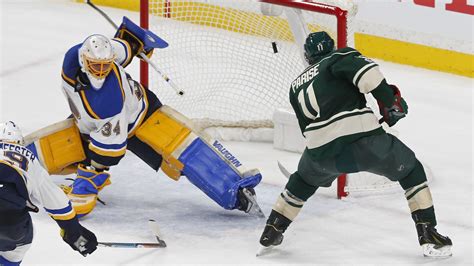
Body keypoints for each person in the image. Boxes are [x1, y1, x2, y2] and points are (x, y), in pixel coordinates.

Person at [258, 32, 452, 257]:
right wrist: (390, 102)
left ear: (308, 57)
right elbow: (369, 75)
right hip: (364, 143)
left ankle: (272, 229)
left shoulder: (295, 87)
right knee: (411, 171)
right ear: (331, 47)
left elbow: (306, 131)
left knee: (301, 181)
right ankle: (428, 233)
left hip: (319, 155)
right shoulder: (339, 57)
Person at [55, 16, 262, 218]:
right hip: (94, 126)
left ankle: (236, 190)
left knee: (183, 155)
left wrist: (90, 175)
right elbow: (122, 49)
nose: (101, 71)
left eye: (105, 66)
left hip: (144, 115)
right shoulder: (76, 60)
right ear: (83, 59)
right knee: (51, 152)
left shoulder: (109, 99)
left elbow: (110, 153)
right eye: (95, 65)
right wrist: (134, 41)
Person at [0, 121, 97, 266]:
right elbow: (55, 200)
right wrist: (72, 230)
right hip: (10, 222)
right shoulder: (28, 158)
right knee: (19, 246)